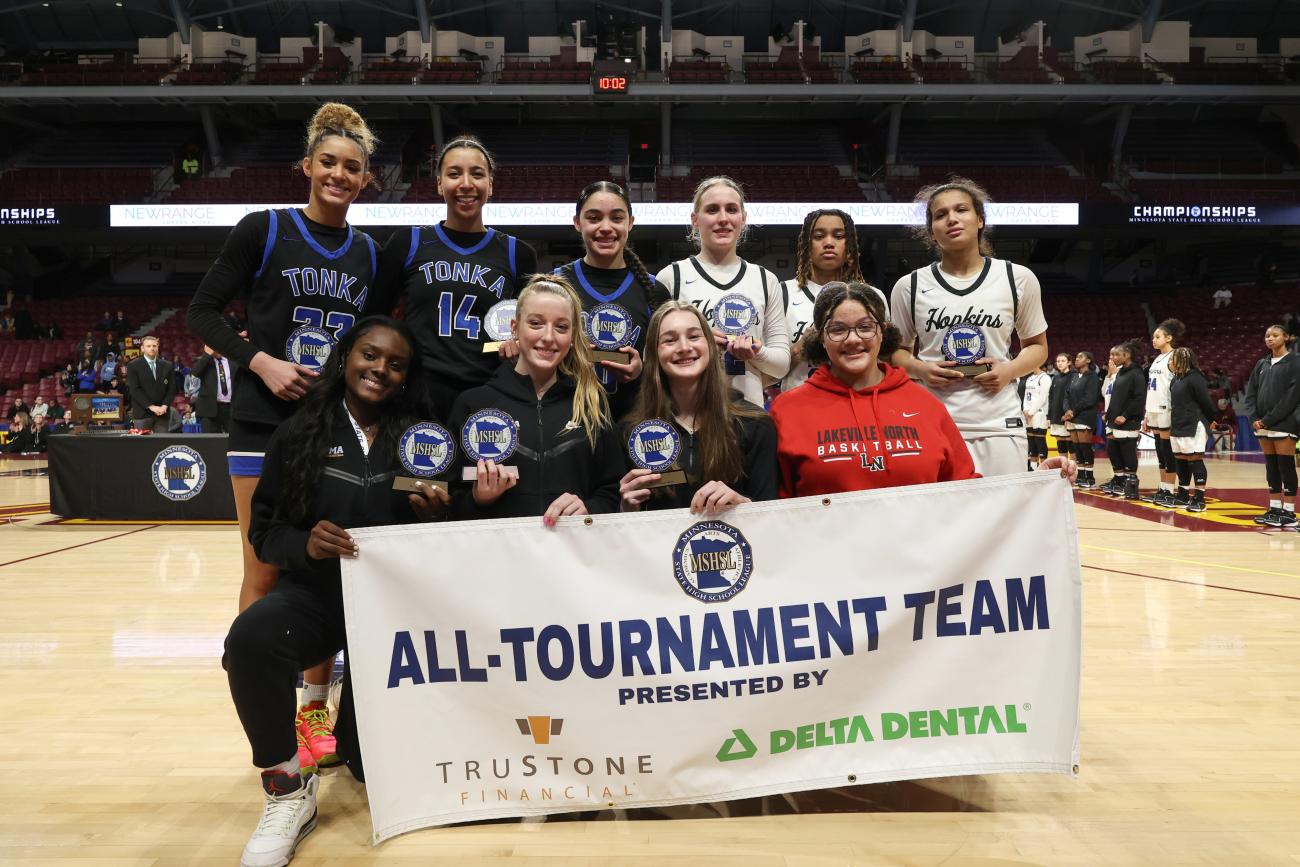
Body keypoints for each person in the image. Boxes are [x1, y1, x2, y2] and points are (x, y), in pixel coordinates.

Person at [188, 102, 387, 767]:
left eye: (351, 167)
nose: (338, 174)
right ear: (306, 166)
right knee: (264, 567)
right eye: (327, 162)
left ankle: (313, 718)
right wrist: (260, 360)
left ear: (366, 180)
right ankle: (270, 721)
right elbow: (203, 310)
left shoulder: (367, 252)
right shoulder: (264, 229)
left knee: (318, 563)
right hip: (260, 420)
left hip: (326, 428)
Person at [225, 316, 447, 867]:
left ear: (406, 377)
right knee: (250, 640)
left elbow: (453, 538)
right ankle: (286, 787)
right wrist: (306, 544)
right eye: (370, 355)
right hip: (321, 597)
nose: (381, 369)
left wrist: (438, 516)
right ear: (346, 356)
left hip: (398, 611)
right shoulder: (300, 432)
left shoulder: (422, 436)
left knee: (361, 761)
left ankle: (350, 731)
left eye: (396, 364)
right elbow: (265, 533)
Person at [772, 282, 1073, 495]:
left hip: (916, 579)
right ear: (821, 339)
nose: (853, 339)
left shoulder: (925, 404)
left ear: (882, 333)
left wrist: (1035, 483)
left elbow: (965, 490)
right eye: (837, 329)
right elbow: (772, 507)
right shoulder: (788, 409)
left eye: (865, 327)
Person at [890, 177, 1049, 477]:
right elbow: (896, 354)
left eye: (961, 209)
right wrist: (923, 370)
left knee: (1002, 517)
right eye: (940, 214)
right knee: (941, 520)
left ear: (980, 219)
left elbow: (1038, 348)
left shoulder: (1018, 278)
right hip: (933, 420)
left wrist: (1008, 371)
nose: (951, 218)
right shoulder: (908, 286)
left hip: (1000, 422)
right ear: (931, 231)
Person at [447, 274, 623, 523]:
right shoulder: (474, 404)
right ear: (515, 327)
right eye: (536, 323)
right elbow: (449, 500)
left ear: (572, 337)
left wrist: (589, 509)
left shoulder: (591, 404)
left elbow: (612, 490)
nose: (549, 337)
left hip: (572, 554)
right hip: (499, 556)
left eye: (561, 327)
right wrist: (478, 500)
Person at [385, 135, 537, 418]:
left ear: (490, 185)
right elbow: (376, 320)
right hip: (417, 395)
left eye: (477, 174)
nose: (466, 184)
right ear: (439, 183)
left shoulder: (518, 254)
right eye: (454, 174)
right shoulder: (408, 243)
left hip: (489, 395)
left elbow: (531, 330)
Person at [618, 300, 778, 513]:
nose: (684, 348)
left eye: (694, 336)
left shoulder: (755, 424)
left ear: (711, 347)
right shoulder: (629, 432)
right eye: (669, 340)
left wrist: (743, 505)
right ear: (654, 354)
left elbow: (772, 519)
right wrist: (625, 509)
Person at [654, 176, 790, 408]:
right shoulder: (671, 277)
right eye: (712, 210)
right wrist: (700, 343)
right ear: (695, 220)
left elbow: (781, 365)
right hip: (688, 410)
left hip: (750, 412)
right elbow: (655, 358)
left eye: (731, 209)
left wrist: (754, 352)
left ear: (743, 219)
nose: (723, 219)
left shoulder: (765, 279)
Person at [556, 180, 668, 420]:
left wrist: (643, 370)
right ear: (577, 223)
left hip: (632, 423)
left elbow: (670, 364)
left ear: (630, 223)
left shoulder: (653, 289)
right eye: (594, 218)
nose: (605, 227)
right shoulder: (555, 284)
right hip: (564, 421)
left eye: (616, 218)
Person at [780, 208, 884, 392]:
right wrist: (804, 345)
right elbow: (770, 368)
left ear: (850, 244)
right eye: (819, 236)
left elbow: (882, 362)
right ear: (806, 244)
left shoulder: (872, 296)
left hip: (855, 404)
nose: (829, 243)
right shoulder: (782, 293)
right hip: (800, 406)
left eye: (838, 236)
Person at [1243, 324, 1299, 527]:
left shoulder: (1295, 362)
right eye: (1267, 335)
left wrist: (1268, 420)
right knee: (1272, 467)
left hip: (1285, 423)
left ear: (1286, 337)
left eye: (1275, 335)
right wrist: (1254, 418)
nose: (1270, 339)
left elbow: (1291, 398)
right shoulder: (1261, 363)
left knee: (1286, 466)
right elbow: (1250, 395)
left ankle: (1289, 512)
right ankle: (1275, 508)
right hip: (1262, 424)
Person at [1166, 346, 1216, 513]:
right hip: (1178, 423)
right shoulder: (1176, 379)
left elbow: (1206, 402)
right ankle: (1183, 494)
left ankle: (1200, 498)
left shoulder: (1195, 378)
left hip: (1194, 423)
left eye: (1174, 359)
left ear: (1183, 360)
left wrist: (1212, 420)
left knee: (1194, 459)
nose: (1171, 362)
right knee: (1180, 460)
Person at [1143, 318, 1185, 506]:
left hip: (1166, 408)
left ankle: (1170, 488)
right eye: (1153, 337)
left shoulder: (1175, 356)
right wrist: (1146, 413)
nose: (1154, 340)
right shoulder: (1157, 358)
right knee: (1160, 450)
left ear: (1169, 338)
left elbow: (1178, 386)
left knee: (1168, 451)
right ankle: (1163, 487)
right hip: (1153, 408)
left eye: (1158, 336)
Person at [1102, 340, 1145, 499]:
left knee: (1127, 452)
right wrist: (1109, 413)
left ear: (1127, 355)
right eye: (1112, 354)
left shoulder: (1136, 373)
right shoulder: (1120, 373)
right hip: (1114, 419)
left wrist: (1126, 415)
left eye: (1116, 354)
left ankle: (1131, 483)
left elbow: (1139, 398)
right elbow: (1113, 396)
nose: (1113, 357)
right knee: (1113, 449)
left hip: (1129, 420)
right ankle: (1119, 480)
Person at [1062, 351, 1101, 489]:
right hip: (1073, 416)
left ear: (1089, 361)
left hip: (1085, 415)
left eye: (1080, 357)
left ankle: (1089, 477)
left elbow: (1089, 399)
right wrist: (1067, 410)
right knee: (1077, 447)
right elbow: (1066, 396)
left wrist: (1073, 411)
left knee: (1085, 446)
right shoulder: (1073, 376)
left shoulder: (1093, 377)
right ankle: (1081, 474)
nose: (1077, 359)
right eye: (1076, 357)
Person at [126, 335, 177, 432]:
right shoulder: (133, 365)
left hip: (162, 413)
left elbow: (171, 389)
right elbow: (135, 390)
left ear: (158, 347)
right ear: (142, 348)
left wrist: (165, 406)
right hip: (142, 412)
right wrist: (151, 407)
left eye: (154, 346)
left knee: (162, 444)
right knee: (143, 446)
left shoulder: (167, 365)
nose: (152, 348)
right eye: (148, 346)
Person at [191, 345, 237, 433]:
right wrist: (207, 354)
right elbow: (195, 372)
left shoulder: (233, 361)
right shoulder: (204, 361)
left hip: (231, 408)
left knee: (233, 441)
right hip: (209, 409)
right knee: (210, 443)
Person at [1022, 362, 1053, 469]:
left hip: (1039, 413)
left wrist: (1031, 412)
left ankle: (1044, 469)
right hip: (1028, 414)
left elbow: (1042, 398)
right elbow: (1026, 396)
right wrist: (1025, 410)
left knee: (1040, 441)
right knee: (1031, 442)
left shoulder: (1045, 378)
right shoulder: (1029, 378)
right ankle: (1033, 468)